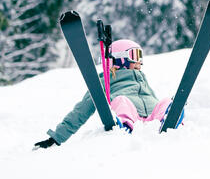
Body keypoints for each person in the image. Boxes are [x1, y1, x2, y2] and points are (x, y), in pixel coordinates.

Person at [33, 39, 180, 148]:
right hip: (131, 115)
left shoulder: (142, 77)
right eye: (135, 56)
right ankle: (125, 124)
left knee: (166, 101)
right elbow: (82, 110)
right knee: (121, 100)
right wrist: (56, 138)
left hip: (151, 120)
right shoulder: (105, 80)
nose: (139, 62)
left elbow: (152, 98)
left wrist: (162, 108)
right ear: (120, 58)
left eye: (140, 57)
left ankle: (167, 118)